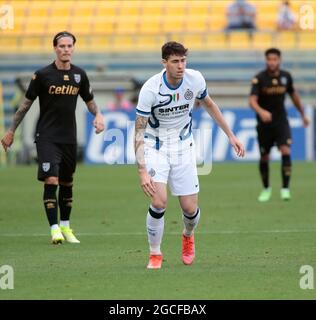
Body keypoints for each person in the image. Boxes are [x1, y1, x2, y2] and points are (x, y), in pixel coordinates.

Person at [134, 41, 245, 269]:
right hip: (155, 147)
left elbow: (210, 105)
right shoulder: (150, 89)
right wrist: (142, 170)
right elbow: (139, 129)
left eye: (183, 60)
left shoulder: (195, 79)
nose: (180, 66)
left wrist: (231, 135)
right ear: (164, 63)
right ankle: (155, 253)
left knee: (189, 209)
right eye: (175, 61)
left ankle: (187, 235)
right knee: (159, 200)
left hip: (184, 147)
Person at [1, 31, 105, 244]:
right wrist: (11, 131)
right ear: (55, 48)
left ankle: (66, 227)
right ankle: (54, 229)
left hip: (69, 137)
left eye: (69, 46)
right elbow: (24, 106)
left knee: (67, 182)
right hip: (47, 136)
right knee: (52, 179)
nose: (66, 49)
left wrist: (99, 115)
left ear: (73, 48)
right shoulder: (42, 75)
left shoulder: (79, 76)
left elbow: (90, 101)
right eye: (62, 46)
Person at [249, 48, 309, 202]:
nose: (272, 62)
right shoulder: (259, 78)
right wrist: (261, 112)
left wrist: (303, 115)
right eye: (269, 59)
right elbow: (252, 100)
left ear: (279, 60)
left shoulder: (286, 77)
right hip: (264, 124)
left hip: (281, 121)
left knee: (285, 150)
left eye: (275, 59)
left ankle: (285, 189)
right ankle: (266, 189)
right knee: (265, 157)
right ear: (266, 60)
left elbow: (294, 96)